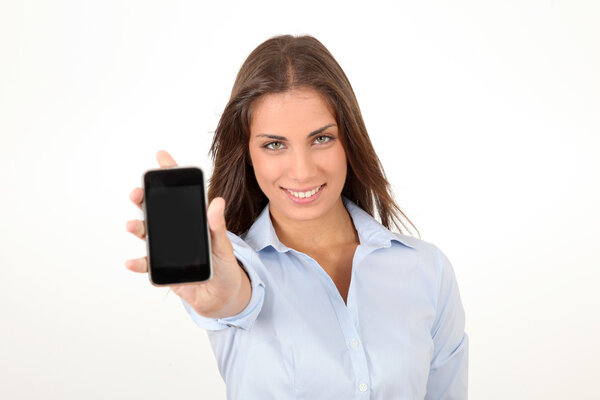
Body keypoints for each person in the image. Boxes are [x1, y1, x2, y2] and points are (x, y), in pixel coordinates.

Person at [125, 34, 468, 399]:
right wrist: (220, 297)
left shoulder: (426, 271)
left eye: (321, 139)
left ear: (349, 141)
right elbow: (237, 298)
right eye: (275, 145)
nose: (302, 171)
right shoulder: (237, 266)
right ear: (248, 155)